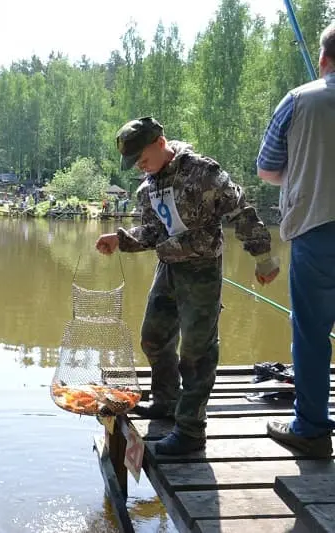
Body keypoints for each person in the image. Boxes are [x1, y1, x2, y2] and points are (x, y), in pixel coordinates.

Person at [95, 117, 280, 455]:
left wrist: (264, 258)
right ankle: (167, 401)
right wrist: (119, 240)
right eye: (134, 160)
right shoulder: (148, 186)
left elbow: (241, 210)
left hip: (202, 270)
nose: (139, 164)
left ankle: (191, 430)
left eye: (142, 156)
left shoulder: (202, 173)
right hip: (168, 268)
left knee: (196, 352)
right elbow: (152, 233)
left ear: (160, 141)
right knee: (153, 337)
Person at [257, 22, 335, 458]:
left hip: (317, 230)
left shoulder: (299, 100)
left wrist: (306, 167)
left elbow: (267, 168)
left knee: (310, 334)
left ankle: (311, 429)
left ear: (323, 60)